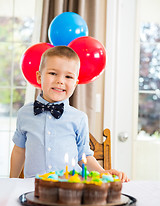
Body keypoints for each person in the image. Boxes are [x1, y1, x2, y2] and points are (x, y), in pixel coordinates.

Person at [10, 46, 129, 182]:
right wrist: (12, 181)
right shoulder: (24, 114)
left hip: (69, 186)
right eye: (53, 73)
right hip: (33, 186)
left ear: (75, 83)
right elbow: (19, 150)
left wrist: (102, 172)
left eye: (68, 76)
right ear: (39, 77)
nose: (60, 81)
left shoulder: (79, 118)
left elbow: (84, 155)